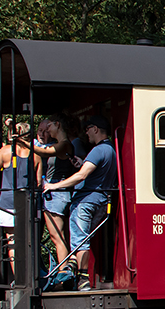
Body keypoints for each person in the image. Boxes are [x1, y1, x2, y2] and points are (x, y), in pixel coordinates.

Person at [44, 116, 117, 291]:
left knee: (80, 241)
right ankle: (72, 266)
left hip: (86, 200)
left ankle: (82, 279)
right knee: (83, 238)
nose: (86, 133)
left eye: (88, 129)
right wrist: (82, 163)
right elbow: (95, 172)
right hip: (101, 201)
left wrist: (54, 186)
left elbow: (81, 175)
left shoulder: (98, 150)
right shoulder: (110, 150)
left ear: (96, 129)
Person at [0, 121, 41, 275]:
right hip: (26, 201)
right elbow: (38, 182)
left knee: (12, 240)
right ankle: (31, 274)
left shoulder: (5, 151)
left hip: (7, 201)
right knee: (28, 240)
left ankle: (18, 276)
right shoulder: (36, 155)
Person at [31, 115, 80, 275]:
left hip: (57, 194)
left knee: (57, 236)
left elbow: (44, 152)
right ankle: (64, 269)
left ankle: (63, 272)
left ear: (57, 125)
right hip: (56, 193)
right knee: (58, 235)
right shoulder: (61, 144)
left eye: (49, 127)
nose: (47, 131)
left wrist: (23, 144)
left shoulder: (64, 144)